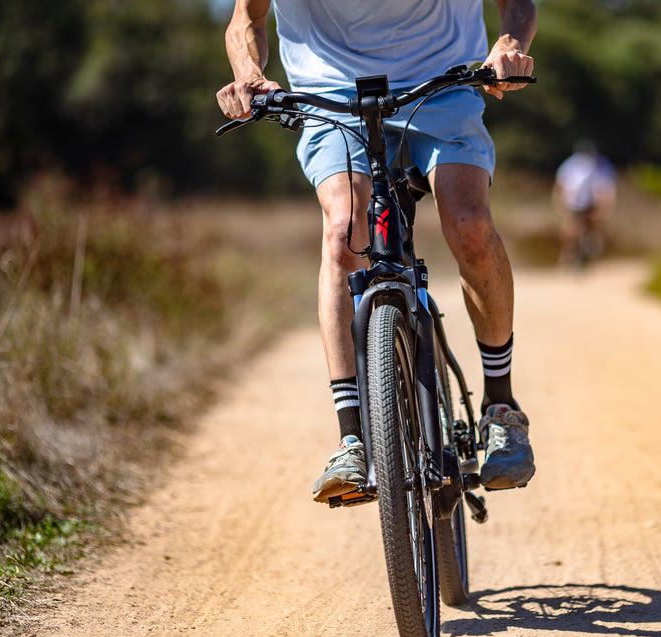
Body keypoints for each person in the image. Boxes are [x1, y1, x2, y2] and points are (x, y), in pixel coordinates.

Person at [217, 0, 537, 503]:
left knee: (470, 224)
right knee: (345, 230)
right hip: (331, 93)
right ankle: (353, 438)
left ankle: (501, 408)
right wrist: (250, 74)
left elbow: (516, 4)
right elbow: (246, 19)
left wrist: (510, 45)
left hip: (443, 81)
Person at [552, 140, 617, 268]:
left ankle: (590, 251)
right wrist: (558, 202)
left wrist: (607, 206)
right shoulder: (570, 165)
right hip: (574, 202)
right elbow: (559, 185)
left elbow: (608, 188)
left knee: (595, 227)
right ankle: (569, 255)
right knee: (571, 229)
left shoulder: (602, 165)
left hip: (593, 202)